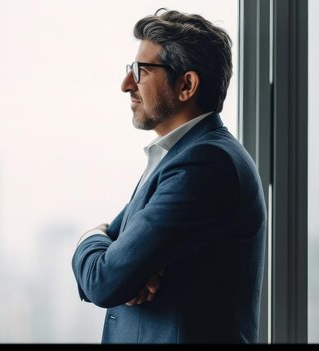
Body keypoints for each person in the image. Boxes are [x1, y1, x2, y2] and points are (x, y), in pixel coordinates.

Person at [71, 9, 266, 344]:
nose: (126, 84)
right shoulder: (178, 157)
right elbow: (116, 264)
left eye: (141, 71)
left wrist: (89, 236)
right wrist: (126, 266)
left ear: (187, 85)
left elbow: (104, 278)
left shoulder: (206, 164)